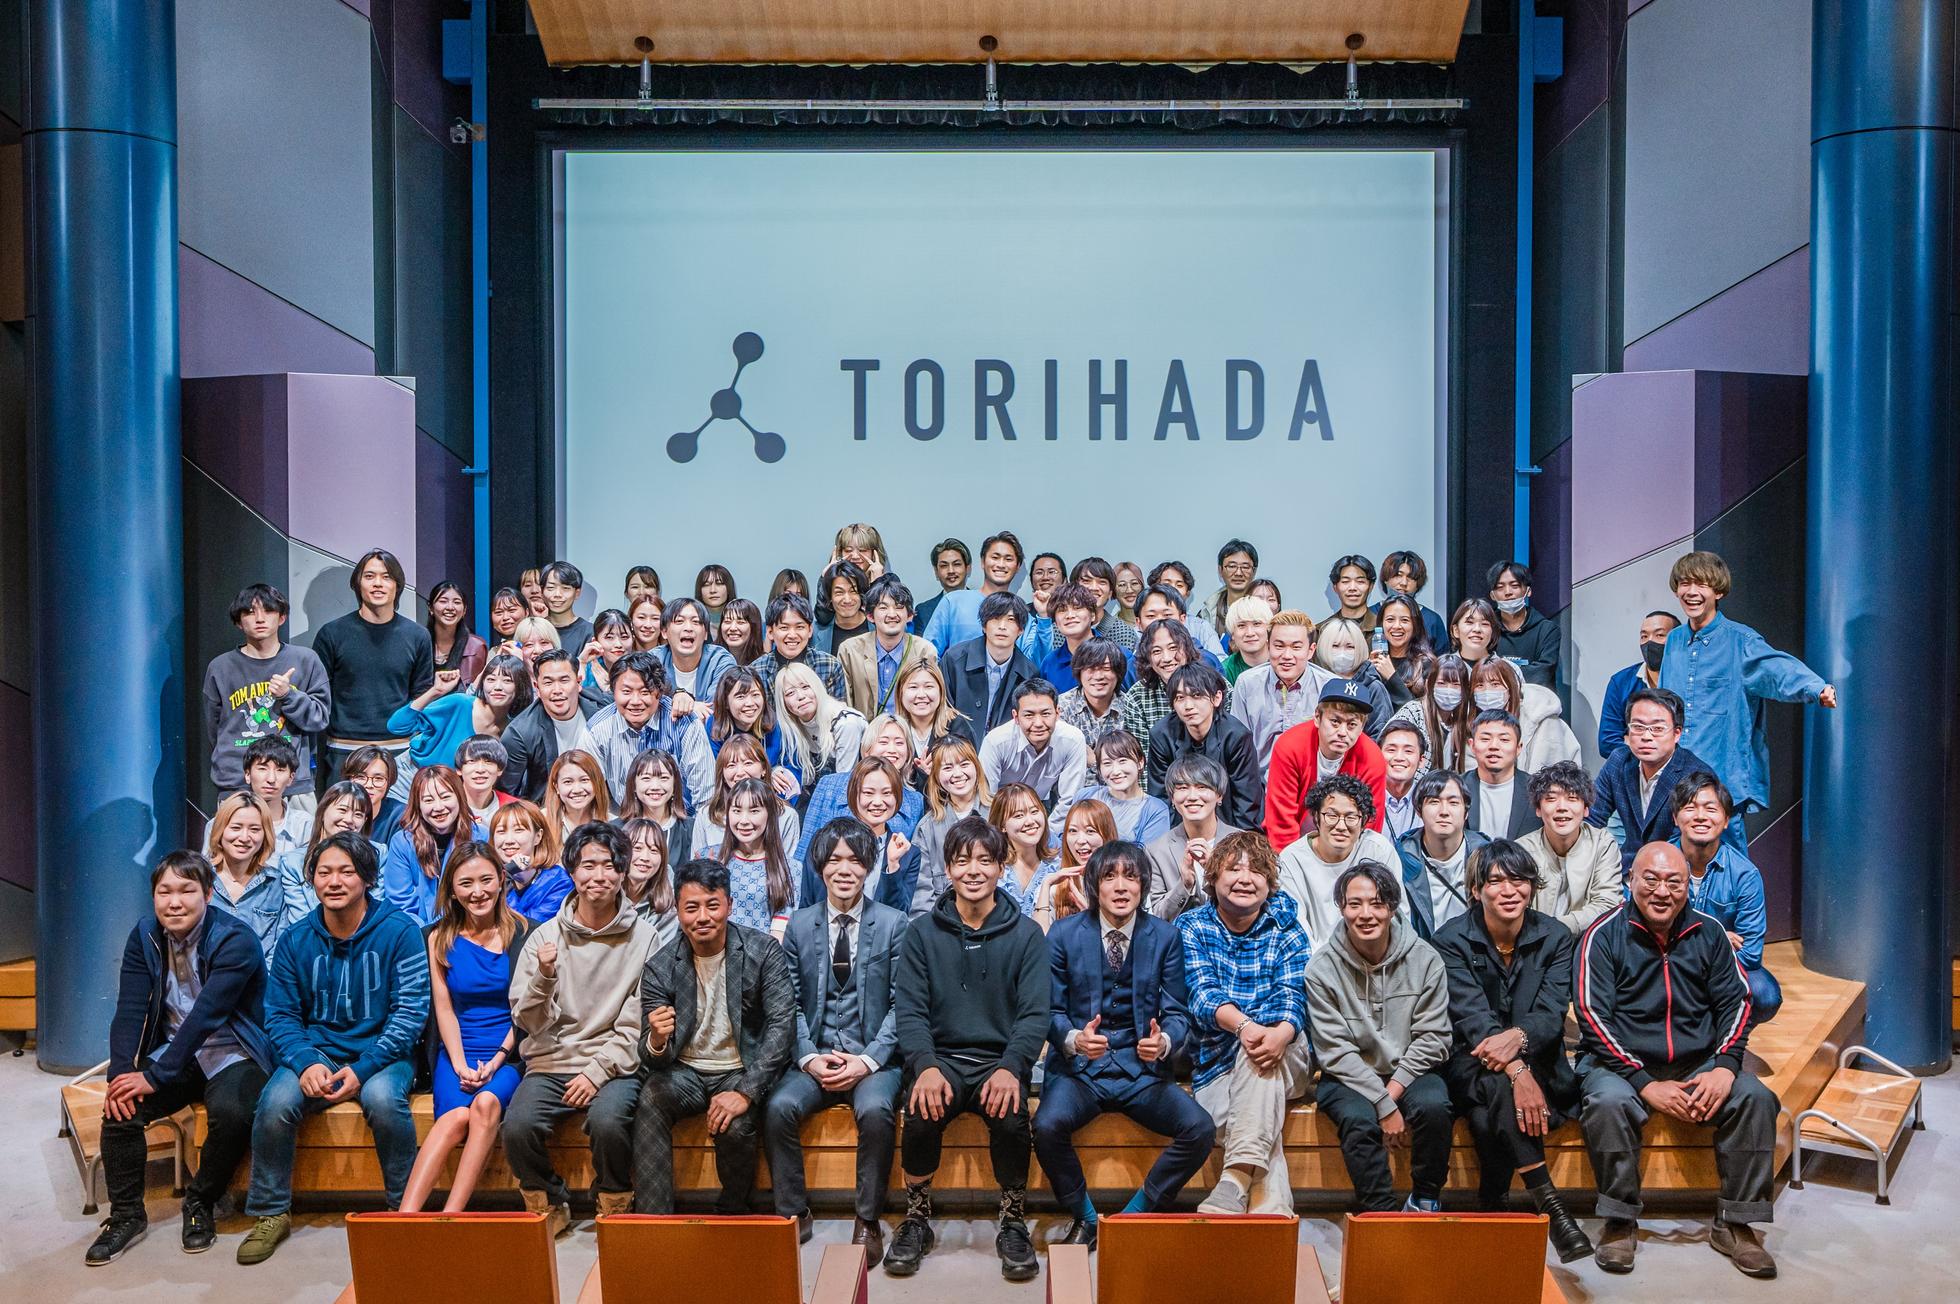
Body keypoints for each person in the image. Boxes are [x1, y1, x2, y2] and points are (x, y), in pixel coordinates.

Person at [1575, 842, 1779, 1278]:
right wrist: (1644, 1082)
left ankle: (1737, 1223)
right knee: (1607, 1102)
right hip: (1621, 1064)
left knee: (1755, 1098)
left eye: (1674, 882)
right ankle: (1619, 1220)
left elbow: (1738, 1003)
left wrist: (1725, 1066)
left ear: (1689, 887)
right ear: (1630, 881)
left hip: (1698, 1061)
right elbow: (1591, 1015)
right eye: (1650, 879)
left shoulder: (1710, 933)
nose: (1662, 891)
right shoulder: (1602, 935)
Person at [240, 833, 429, 1264]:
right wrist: (305, 1062)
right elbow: (280, 1015)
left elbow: (410, 1014)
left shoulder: (401, 931)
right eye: (324, 872)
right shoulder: (295, 939)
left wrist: (364, 1069)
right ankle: (271, 1212)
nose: (334, 881)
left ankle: (405, 1210)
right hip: (318, 1049)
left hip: (383, 1052)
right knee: (274, 1103)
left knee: (384, 1101)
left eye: (346, 871)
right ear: (311, 879)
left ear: (367, 878)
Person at [89, 851, 273, 1265]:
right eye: (164, 892)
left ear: (208, 894)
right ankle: (126, 1215)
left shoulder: (236, 938)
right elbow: (129, 1009)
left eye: (186, 891)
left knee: (234, 1113)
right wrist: (121, 1074)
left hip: (233, 1049)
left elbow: (208, 1015)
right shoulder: (145, 935)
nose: (174, 902)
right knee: (121, 1108)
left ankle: (200, 1201)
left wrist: (156, 1077)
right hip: (174, 1049)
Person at [885, 817, 1048, 1281]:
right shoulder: (921, 933)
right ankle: (918, 1216)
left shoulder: (1026, 935)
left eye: (984, 860)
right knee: (920, 1109)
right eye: (961, 861)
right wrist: (925, 1066)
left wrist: (1012, 1066)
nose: (973, 870)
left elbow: (1035, 1014)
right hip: (942, 1060)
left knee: (1012, 1116)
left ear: (1000, 867)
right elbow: (910, 1012)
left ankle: (1012, 1220)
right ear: (948, 869)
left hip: (999, 1061)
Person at [1034, 841, 1215, 1245]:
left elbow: (1178, 1013)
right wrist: (1074, 1039)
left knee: (1200, 1128)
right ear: (1094, 885)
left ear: (1143, 885)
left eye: (1131, 877)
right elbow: (1049, 1010)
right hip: (1081, 1072)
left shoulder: (1165, 936)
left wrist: (1164, 1042)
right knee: (1045, 1126)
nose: (1120, 886)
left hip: (1141, 1072)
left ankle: (1135, 1215)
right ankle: (1085, 1217)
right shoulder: (1063, 934)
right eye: (1109, 877)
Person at [1430, 841, 1594, 1262]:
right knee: (1497, 1085)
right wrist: (1518, 1072)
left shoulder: (1555, 936)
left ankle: (1494, 1204)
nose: (1509, 890)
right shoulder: (1451, 939)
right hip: (1470, 1062)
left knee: (1489, 1112)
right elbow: (1471, 1017)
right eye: (1496, 880)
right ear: (1476, 889)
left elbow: (1551, 1013)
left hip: (1541, 1064)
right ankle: (1552, 1209)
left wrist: (1518, 1048)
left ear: (1532, 886)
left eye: (1519, 880)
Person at [504, 821, 657, 1234]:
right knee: (517, 1127)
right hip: (551, 1061)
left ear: (622, 873)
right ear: (572, 872)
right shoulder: (544, 938)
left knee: (609, 1121)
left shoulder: (645, 938)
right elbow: (527, 1021)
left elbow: (638, 1022)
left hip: (614, 1064)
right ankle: (548, 1201)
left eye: (609, 865)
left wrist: (596, 1071)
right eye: (588, 865)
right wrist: (544, 977)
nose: (599, 876)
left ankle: (614, 1199)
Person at [765, 820, 908, 1262]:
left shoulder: (894, 923)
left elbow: (901, 1005)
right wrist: (808, 1057)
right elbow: (788, 1003)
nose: (844, 869)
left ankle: (867, 1219)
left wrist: (867, 1061)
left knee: (877, 1111)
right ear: (819, 867)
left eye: (855, 860)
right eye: (833, 860)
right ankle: (793, 1212)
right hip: (816, 1052)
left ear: (869, 866)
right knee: (778, 1107)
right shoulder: (798, 924)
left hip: (872, 1058)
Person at [634, 858, 797, 1214]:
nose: (703, 917)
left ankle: (734, 1211)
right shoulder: (661, 966)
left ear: (729, 905)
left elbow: (782, 1026)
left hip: (741, 1068)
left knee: (735, 1126)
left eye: (713, 905)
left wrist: (746, 1091)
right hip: (686, 1072)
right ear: (678, 911)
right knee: (651, 1098)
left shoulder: (762, 951)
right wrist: (656, 1040)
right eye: (691, 908)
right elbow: (650, 1053)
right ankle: (653, 1219)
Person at [1176, 831, 1312, 1215]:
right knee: (1255, 1100)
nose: (1245, 879)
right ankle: (1271, 1216)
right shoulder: (1192, 927)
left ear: (1269, 883)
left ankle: (1233, 1180)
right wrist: (1245, 1029)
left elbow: (1293, 994)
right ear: (1213, 877)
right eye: (1233, 870)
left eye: (1256, 872)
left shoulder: (1286, 926)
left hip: (1286, 1050)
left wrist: (1279, 1033)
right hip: (1216, 1062)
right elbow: (1202, 995)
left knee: (1258, 1059)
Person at [1307, 860, 1452, 1213]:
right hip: (1349, 1075)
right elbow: (1335, 1052)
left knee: (1435, 1107)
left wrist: (1390, 1095)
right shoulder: (1321, 969)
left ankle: (1425, 1199)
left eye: (1376, 903)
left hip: (1410, 1070)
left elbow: (1434, 1038)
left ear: (1392, 907)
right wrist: (1383, 1104)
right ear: (1341, 908)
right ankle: (1380, 1215)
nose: (1366, 914)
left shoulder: (1426, 960)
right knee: (1358, 1121)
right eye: (1354, 904)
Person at [1659, 550, 1836, 826]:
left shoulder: (1741, 641)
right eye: (1685, 584)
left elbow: (1777, 670)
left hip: (1722, 781)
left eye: (1701, 584)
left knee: (1728, 852)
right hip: (1677, 780)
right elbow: (1663, 702)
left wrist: (1816, 688)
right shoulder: (1674, 641)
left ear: (1718, 591)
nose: (1691, 592)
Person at [400, 842, 530, 1213]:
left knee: (486, 1104)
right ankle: (404, 1219)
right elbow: (444, 1009)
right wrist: (459, 1064)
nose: (478, 892)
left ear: (501, 879)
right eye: (466, 883)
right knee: (456, 1117)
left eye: (486, 880)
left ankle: (451, 1216)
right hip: (458, 1048)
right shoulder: (437, 937)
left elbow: (525, 1010)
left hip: (508, 1052)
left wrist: (496, 1061)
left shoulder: (525, 933)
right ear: (453, 890)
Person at [311, 548, 435, 794]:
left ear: (397, 586)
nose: (378, 583)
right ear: (357, 584)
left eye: (387, 577)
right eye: (369, 576)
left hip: (399, 753)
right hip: (344, 751)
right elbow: (319, 699)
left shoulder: (417, 636)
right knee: (344, 818)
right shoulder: (332, 634)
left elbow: (421, 697)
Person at [203, 582, 330, 800]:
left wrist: (288, 695)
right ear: (238, 622)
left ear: (282, 617)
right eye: (250, 612)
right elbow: (215, 728)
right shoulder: (220, 667)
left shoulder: (305, 660)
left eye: (268, 611)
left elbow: (319, 718)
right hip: (237, 782)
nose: (260, 619)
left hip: (292, 784)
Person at [1673, 773, 1781, 1025]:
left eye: (1711, 809)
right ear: (1675, 818)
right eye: (1690, 808)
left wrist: (1690, 948)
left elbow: (1750, 954)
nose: (1701, 816)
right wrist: (1718, 937)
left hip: (1716, 968)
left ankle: (1730, 1037)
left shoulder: (1745, 874)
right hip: (1666, 964)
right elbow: (1642, 934)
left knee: (1764, 994)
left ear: (1726, 820)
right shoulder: (1658, 863)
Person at [1589, 687, 1734, 868]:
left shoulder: (1696, 775)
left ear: (1677, 733)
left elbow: (1689, 841)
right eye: (1638, 727)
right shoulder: (1619, 761)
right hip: (1626, 868)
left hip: (1675, 871)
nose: (1646, 736)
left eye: (1657, 729)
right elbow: (1592, 817)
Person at [1277, 776, 1402, 951]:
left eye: (1351, 817)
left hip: (1372, 955)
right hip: (1313, 959)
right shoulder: (1292, 859)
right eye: (1332, 816)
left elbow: (1398, 915)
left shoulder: (1378, 850)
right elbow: (1295, 925)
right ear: (1316, 817)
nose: (1341, 826)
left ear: (1363, 821)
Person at [1264, 678, 1386, 851]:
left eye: (1352, 724)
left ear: (1362, 727)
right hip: (1295, 845)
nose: (1342, 732)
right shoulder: (1290, 746)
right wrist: (1290, 863)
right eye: (1335, 721)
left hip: (1347, 848)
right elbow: (1281, 820)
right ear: (1317, 718)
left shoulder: (1372, 758)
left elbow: (1370, 824)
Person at [387, 651, 531, 795]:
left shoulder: (512, 730)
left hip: (449, 792)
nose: (497, 687)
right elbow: (397, 726)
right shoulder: (460, 704)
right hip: (409, 777)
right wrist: (434, 692)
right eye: (491, 679)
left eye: (507, 681)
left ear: (520, 686)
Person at [795, 754, 921, 909]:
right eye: (868, 793)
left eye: (887, 793)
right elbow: (807, 904)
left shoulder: (908, 854)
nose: (877, 802)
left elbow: (900, 914)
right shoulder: (824, 841)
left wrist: (893, 866)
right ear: (854, 794)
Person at [1146, 663, 1262, 828]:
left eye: (1197, 695)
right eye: (1180, 698)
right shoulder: (1162, 735)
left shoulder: (1236, 736)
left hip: (1228, 825)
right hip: (1179, 827)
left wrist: (1233, 841)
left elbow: (1246, 803)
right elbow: (1160, 798)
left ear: (1217, 698)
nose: (1188, 706)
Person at [794, 717, 924, 864]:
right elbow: (805, 849)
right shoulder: (830, 785)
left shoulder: (915, 801)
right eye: (883, 742)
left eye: (899, 743)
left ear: (908, 752)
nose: (892, 749)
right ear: (867, 749)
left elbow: (912, 861)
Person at [1518, 762, 1623, 935]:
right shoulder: (1522, 850)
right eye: (1551, 799)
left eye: (1572, 798)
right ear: (1538, 809)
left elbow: (1608, 904)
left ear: (1586, 809)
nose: (1562, 807)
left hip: (1587, 941)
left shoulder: (1602, 844)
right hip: (1535, 942)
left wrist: (1556, 928)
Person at [1395, 769, 1490, 941]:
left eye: (1453, 802)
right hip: (1422, 951)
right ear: (1419, 810)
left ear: (1466, 812)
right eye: (1434, 801)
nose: (1444, 811)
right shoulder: (1401, 860)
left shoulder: (1485, 857)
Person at [1143, 754, 1244, 918]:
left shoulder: (1243, 843)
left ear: (1219, 795)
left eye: (1202, 787)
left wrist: (1216, 874)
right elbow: (1159, 917)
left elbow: (1251, 904)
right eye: (1183, 788)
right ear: (1172, 798)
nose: (1192, 796)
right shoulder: (1156, 850)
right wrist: (1184, 884)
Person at [498, 650, 605, 803]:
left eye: (564, 680)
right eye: (548, 683)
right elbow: (505, 795)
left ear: (579, 682)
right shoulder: (519, 733)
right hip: (547, 809)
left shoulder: (602, 711)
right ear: (537, 688)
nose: (557, 690)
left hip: (601, 805)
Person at [903, 737, 993, 916]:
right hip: (945, 922)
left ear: (977, 767)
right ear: (936, 777)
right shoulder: (927, 828)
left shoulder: (999, 812)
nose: (957, 774)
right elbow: (921, 898)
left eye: (964, 764)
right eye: (947, 767)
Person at [274, 780, 381, 930]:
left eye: (358, 814)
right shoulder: (293, 862)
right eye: (342, 810)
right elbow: (301, 919)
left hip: (365, 935)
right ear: (323, 811)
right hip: (314, 937)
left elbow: (376, 907)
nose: (349, 820)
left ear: (365, 820)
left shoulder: (378, 854)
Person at [584, 649, 687, 804]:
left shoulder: (682, 722)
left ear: (660, 692)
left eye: (645, 692)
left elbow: (705, 795)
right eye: (626, 691)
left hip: (681, 816)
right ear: (613, 691)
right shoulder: (597, 729)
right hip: (624, 816)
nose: (635, 701)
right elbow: (586, 790)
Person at [1230, 610, 1329, 767]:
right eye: (1279, 646)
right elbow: (1238, 745)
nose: (1287, 655)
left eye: (1296, 647)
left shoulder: (1328, 686)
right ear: (1268, 646)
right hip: (1260, 779)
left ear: (1311, 650)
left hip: (1313, 780)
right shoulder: (1247, 684)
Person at [383, 765, 481, 924]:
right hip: (417, 932)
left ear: (459, 797)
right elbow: (399, 903)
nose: (439, 807)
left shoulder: (480, 837)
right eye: (428, 800)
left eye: (445, 797)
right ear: (418, 805)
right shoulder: (402, 842)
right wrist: (428, 933)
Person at [678, 667, 786, 811]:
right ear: (726, 702)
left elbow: (778, 766)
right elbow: (716, 772)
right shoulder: (714, 726)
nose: (750, 703)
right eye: (740, 696)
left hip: (764, 796)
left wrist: (776, 771)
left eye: (755, 694)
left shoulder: (772, 724)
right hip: (726, 797)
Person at [1050, 730, 1172, 847]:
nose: (1115, 771)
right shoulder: (1086, 796)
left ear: (1140, 762)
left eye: (1122, 761)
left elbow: (1147, 855)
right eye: (1107, 763)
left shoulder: (1155, 809)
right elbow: (1065, 842)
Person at [841, 575, 939, 719]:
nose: (892, 614)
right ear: (870, 616)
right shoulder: (850, 650)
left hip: (909, 730)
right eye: (883, 608)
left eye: (899, 607)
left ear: (910, 615)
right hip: (865, 730)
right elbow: (844, 706)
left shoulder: (924, 651)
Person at [942, 591, 1040, 733]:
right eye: (995, 618)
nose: (1002, 626)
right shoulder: (954, 659)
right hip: (957, 744)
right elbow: (942, 712)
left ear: (1021, 629)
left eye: (1011, 619)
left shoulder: (1029, 673)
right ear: (984, 626)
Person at [919, 530, 1029, 654]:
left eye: (1008, 559)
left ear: (1018, 566)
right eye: (995, 557)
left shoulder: (1021, 613)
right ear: (982, 562)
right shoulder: (953, 601)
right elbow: (928, 654)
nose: (1001, 564)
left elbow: (1033, 658)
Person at [203, 791, 284, 958]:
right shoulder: (199, 879)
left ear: (265, 835)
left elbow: (280, 948)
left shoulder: (275, 884)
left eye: (254, 829)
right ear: (220, 831)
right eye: (236, 828)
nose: (245, 837)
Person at [773, 661, 869, 801]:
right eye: (790, 693)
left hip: (854, 796)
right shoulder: (791, 727)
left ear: (816, 686)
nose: (800, 696)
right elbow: (803, 777)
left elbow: (843, 784)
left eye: (805, 687)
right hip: (820, 795)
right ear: (783, 703)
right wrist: (775, 772)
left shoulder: (846, 723)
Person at [1467, 657, 1582, 772]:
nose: (1487, 691)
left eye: (1495, 684)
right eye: (1480, 685)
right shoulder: (1472, 724)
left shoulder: (1545, 722)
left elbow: (1551, 774)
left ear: (1512, 687)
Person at [1597, 610, 1682, 757]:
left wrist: (1632, 741)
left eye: (1659, 635)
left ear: (1677, 640)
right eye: (1644, 636)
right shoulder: (1621, 682)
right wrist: (1658, 751)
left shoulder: (1689, 681)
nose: (1649, 642)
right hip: (1634, 770)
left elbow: (1690, 739)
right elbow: (1607, 743)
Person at [1120, 617, 1210, 748]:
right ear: (1148, 658)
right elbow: (1143, 754)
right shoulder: (1137, 697)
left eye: (1173, 647)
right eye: (1156, 651)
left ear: (1188, 649)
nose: (1167, 658)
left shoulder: (1213, 686)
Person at [489, 798, 573, 922]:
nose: (509, 840)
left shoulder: (559, 882)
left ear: (538, 837)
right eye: (501, 831)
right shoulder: (492, 879)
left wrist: (509, 874)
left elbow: (525, 927)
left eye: (519, 830)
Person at [752, 592, 848, 700]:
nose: (792, 635)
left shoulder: (830, 666)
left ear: (810, 630)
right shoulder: (756, 671)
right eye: (784, 628)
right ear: (770, 632)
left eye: (799, 627)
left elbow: (837, 709)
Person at [1038, 583, 1132, 694]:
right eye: (1062, 610)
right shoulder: (1049, 663)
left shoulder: (1121, 656)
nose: (1070, 615)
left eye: (1077, 608)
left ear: (1092, 615)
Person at [991, 782, 1065, 923]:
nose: (1030, 821)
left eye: (1034, 811)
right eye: (1019, 815)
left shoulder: (1058, 868)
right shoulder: (992, 871)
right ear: (1002, 825)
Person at [893, 658, 976, 781]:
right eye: (913, 687)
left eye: (928, 686)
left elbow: (970, 779)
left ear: (941, 691)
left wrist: (933, 777)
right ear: (901, 693)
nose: (921, 695)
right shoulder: (893, 729)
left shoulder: (957, 727)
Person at [1311, 616, 1396, 736]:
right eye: (1335, 646)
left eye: (1350, 647)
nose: (1342, 653)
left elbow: (1380, 734)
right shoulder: (1315, 682)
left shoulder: (1373, 687)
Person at [1462, 711, 1541, 840]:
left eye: (1504, 740)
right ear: (1472, 746)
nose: (1494, 746)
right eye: (1485, 739)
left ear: (1518, 748)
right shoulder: (1457, 788)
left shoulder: (1537, 790)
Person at [1055, 637, 1131, 769]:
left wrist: (1093, 761)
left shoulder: (1131, 707)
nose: (1098, 676)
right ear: (1079, 672)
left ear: (1118, 673)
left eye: (1106, 668)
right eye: (1090, 669)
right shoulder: (1061, 707)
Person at [656, 598, 738, 716]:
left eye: (696, 622)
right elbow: (650, 709)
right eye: (679, 621)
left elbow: (714, 711)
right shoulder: (654, 660)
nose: (688, 628)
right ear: (664, 632)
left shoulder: (721, 661)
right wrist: (689, 704)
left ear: (706, 634)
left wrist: (686, 706)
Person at [1488, 561, 1560, 689]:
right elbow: (1479, 669)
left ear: (1528, 591)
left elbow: (1543, 672)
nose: (1507, 592)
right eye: (1500, 587)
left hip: (1535, 698)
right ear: (1492, 595)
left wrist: (1499, 675)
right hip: (1493, 697)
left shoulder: (1547, 629)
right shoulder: (1487, 627)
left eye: (1514, 586)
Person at [1043, 798, 1117, 922]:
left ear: (1107, 835)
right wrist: (1046, 885)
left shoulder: (1126, 884)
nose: (1081, 840)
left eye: (1090, 831)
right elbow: (1042, 933)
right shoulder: (1057, 888)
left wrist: (1089, 914)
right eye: (1073, 831)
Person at [618, 749, 694, 862]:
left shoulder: (691, 828)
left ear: (675, 784)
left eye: (664, 778)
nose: (655, 786)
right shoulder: (616, 830)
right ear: (633, 785)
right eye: (646, 778)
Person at [1371, 592, 1439, 711]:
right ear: (1381, 624)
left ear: (1415, 625)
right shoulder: (1374, 661)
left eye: (1405, 620)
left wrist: (1392, 677)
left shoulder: (1428, 664)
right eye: (1390, 619)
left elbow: (1420, 714)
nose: (1397, 626)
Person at [620, 817, 680, 949]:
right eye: (637, 848)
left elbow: (660, 956)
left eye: (654, 850)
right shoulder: (604, 897)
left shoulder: (667, 909)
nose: (645, 858)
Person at [1375, 549, 1452, 652]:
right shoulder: (1371, 614)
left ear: (1418, 584)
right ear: (1385, 579)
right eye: (1398, 575)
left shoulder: (1432, 619)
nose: (1403, 583)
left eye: (1411, 577)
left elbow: (1442, 658)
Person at [426, 580, 489, 683]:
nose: (450, 607)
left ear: (464, 610)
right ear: (430, 607)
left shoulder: (476, 646)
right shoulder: (418, 643)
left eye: (457, 602)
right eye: (443, 601)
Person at [1199, 538, 1260, 639]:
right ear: (1220, 570)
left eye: (1245, 567)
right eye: (1232, 566)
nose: (1238, 573)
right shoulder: (1207, 612)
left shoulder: (1264, 606)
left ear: (1254, 571)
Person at [1378, 719, 1426, 837]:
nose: (1399, 757)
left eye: (1408, 751)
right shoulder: (1364, 797)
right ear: (1377, 754)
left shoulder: (1428, 801)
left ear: (1421, 761)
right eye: (1391, 750)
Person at [913, 536, 970, 635]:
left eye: (956, 564)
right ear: (936, 572)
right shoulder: (923, 611)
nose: (951, 571)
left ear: (968, 569)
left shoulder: (983, 604)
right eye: (944, 566)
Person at [817, 560, 873, 655]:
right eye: (839, 592)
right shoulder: (815, 632)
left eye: (853, 591)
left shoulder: (878, 628)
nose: (847, 600)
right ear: (830, 597)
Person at [540, 561, 594, 660]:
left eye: (565, 588)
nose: (557, 594)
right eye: (551, 588)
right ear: (541, 592)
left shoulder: (589, 632)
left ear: (577, 593)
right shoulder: (536, 630)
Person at [1320, 554, 1380, 636]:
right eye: (1345, 582)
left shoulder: (1385, 628)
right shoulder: (1321, 631)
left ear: (1371, 586)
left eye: (1360, 581)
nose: (1352, 588)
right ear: (1335, 587)